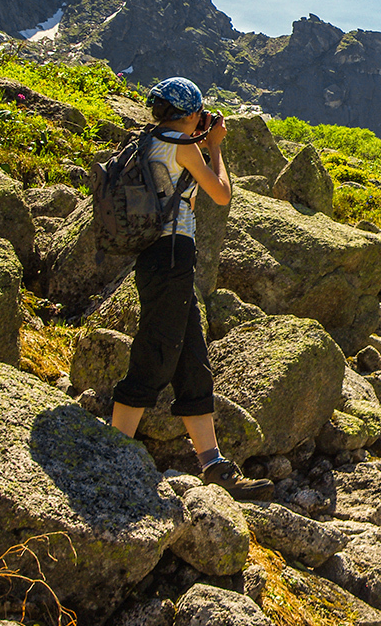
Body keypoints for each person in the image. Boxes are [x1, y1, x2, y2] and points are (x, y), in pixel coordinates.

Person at [110, 76, 273, 501]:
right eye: (200, 112)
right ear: (192, 112)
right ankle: (111, 451)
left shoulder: (151, 140)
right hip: (170, 255)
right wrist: (215, 146)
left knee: (192, 356)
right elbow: (220, 194)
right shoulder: (184, 147)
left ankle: (213, 464)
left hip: (158, 256)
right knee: (157, 348)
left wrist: (201, 136)